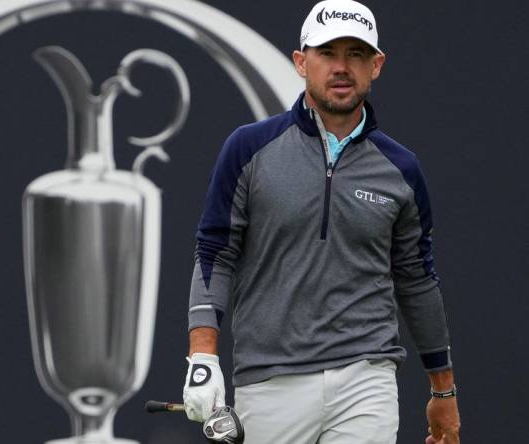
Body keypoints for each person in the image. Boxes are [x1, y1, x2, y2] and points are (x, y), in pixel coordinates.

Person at [181, 1, 461, 443]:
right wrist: (203, 356)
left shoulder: (400, 169)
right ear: (301, 61)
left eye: (356, 54)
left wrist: (443, 391)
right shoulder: (249, 149)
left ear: (377, 65)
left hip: (366, 379)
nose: (341, 67)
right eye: (328, 53)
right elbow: (216, 251)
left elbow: (417, 280)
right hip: (270, 381)